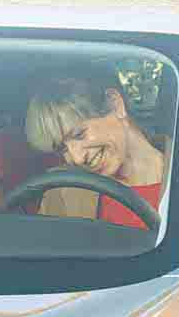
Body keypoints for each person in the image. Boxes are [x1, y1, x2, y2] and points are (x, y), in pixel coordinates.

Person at [24, 71, 167, 230]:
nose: (77, 158)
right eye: (63, 149)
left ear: (115, 105)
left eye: (79, 134)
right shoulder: (63, 190)